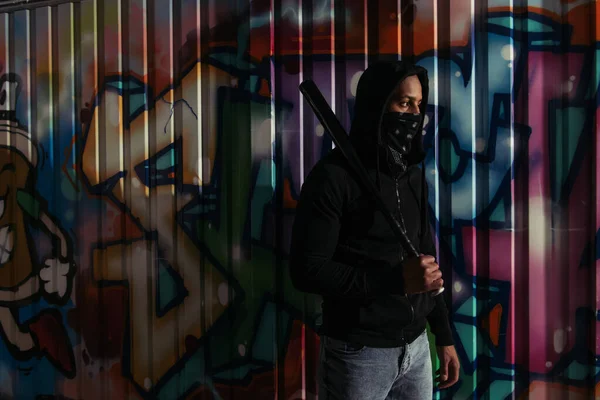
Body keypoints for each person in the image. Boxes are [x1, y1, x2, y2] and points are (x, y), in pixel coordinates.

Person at [290, 60, 460, 399]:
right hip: (359, 354)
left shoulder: (410, 176)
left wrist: (443, 334)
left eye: (417, 104)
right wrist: (394, 281)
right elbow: (307, 271)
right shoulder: (333, 178)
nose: (413, 114)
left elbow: (426, 262)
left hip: (416, 349)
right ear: (377, 106)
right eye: (403, 102)